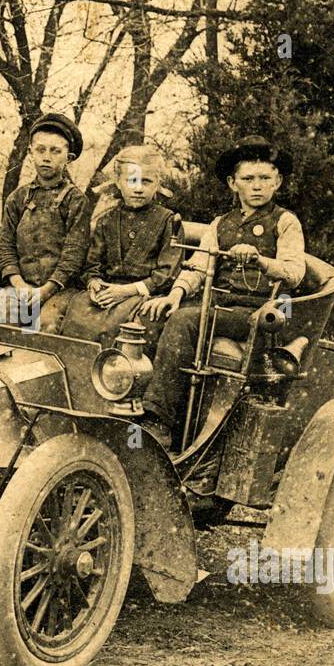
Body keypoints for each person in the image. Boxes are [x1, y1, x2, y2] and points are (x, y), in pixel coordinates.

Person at [137, 135, 307, 445]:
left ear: (278, 182)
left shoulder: (285, 222)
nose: (257, 186)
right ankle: (133, 402)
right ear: (232, 183)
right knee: (152, 316)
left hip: (258, 312)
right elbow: (198, 267)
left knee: (185, 321)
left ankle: (158, 421)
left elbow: (294, 273)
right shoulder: (220, 224)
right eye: (248, 179)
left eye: (265, 178)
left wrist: (260, 260)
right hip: (219, 303)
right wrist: (174, 294)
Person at [58, 146, 180, 349]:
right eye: (131, 181)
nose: (138, 188)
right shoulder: (106, 220)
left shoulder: (168, 220)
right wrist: (94, 283)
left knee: (127, 328)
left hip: (144, 293)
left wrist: (126, 291)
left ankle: (115, 367)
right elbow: (93, 264)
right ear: (118, 182)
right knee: (79, 316)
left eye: (146, 181)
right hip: (108, 291)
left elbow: (167, 273)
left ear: (157, 183)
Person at [0, 113, 92, 332]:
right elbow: (6, 247)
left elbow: (74, 256)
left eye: (55, 151)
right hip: (20, 287)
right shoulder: (17, 199)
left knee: (47, 324)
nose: (47, 157)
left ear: (69, 157)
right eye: (41, 150)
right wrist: (19, 285)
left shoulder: (76, 201)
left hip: (61, 291)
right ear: (30, 152)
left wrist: (46, 290)